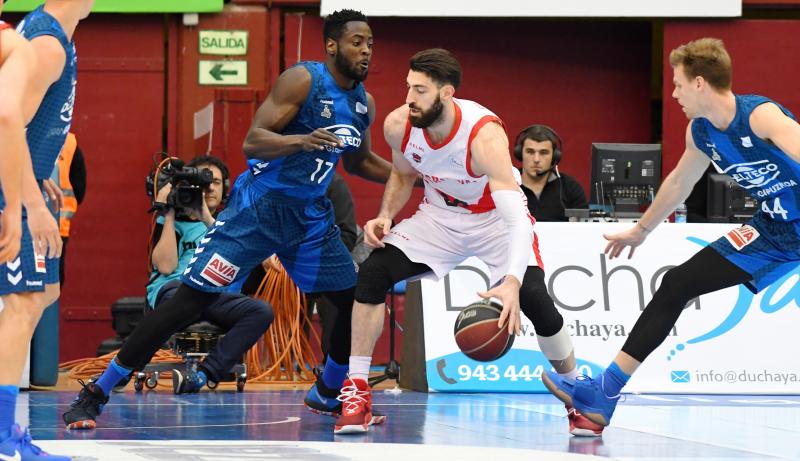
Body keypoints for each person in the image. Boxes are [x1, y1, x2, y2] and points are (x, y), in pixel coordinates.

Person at [63, 8, 391, 429]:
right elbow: (253, 142)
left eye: (369, 44)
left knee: (352, 302)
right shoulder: (304, 80)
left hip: (309, 216)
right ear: (332, 46)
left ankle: (327, 392)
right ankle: (97, 392)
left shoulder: (363, 103)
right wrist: (301, 140)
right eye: (356, 42)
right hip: (258, 209)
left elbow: (361, 162)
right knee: (187, 303)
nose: (365, 51)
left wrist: (420, 178)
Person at [333, 48, 602, 437]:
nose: (409, 98)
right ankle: (356, 390)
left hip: (494, 220)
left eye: (420, 90)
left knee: (536, 300)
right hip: (439, 217)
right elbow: (403, 176)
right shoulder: (399, 125)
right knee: (373, 273)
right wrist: (386, 216)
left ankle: (579, 394)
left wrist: (510, 281)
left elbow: (516, 218)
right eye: (408, 87)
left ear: (446, 93)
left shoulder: (484, 135)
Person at [542, 37, 800, 429]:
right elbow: (680, 182)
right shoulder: (701, 133)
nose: (674, 93)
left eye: (678, 83)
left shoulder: (759, 115)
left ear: (700, 83)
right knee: (678, 283)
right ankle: (603, 396)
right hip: (773, 231)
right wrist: (641, 231)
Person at [0, 1, 92, 460]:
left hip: (25, 180)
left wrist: (41, 176)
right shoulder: (47, 43)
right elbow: (6, 123)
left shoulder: (53, 33)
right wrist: (31, 202)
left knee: (45, 293)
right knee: (24, 303)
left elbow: (30, 126)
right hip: (10, 191)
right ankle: (2, 431)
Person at [514, 124, 587, 221]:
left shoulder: (570, 187)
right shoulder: (507, 185)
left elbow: (583, 229)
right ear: (520, 154)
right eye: (530, 152)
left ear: (555, 157)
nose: (536, 159)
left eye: (543, 152)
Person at [50, 132, 87, 285]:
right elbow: (79, 189)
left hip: (19, 227)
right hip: (58, 228)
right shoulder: (69, 142)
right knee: (52, 285)